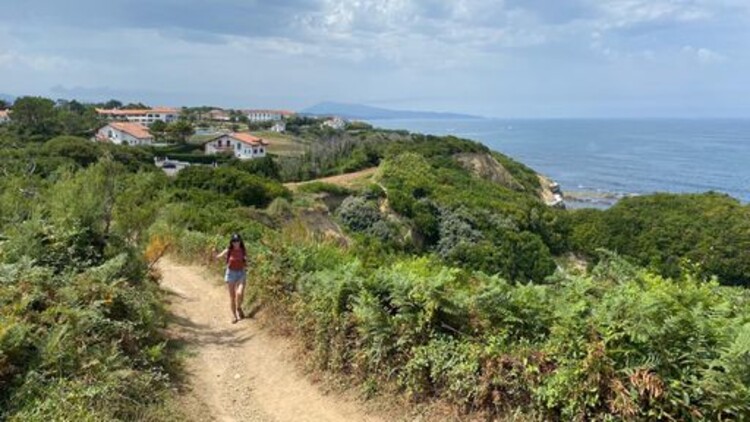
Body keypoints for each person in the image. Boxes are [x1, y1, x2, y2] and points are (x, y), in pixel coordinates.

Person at [216, 233, 247, 323]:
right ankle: (234, 316)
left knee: (239, 293)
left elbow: (246, 259)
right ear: (231, 242)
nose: (236, 243)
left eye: (237, 241)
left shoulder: (243, 250)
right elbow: (218, 257)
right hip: (231, 273)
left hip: (241, 273)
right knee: (232, 296)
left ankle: (239, 307)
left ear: (240, 241)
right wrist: (214, 253)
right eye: (234, 241)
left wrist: (246, 262)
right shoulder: (228, 250)